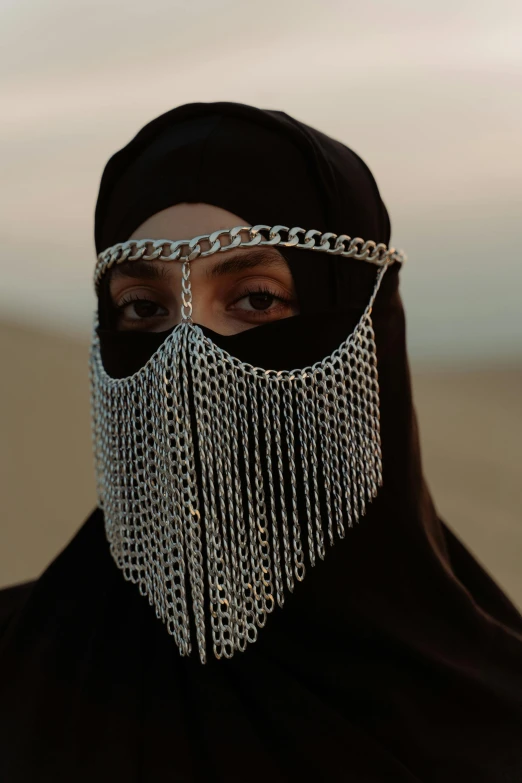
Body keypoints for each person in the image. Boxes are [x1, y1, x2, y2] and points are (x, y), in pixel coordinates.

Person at [1, 101, 521, 782]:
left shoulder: (493, 720)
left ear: (370, 337)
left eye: (254, 299)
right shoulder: (17, 666)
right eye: (143, 308)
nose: (187, 358)